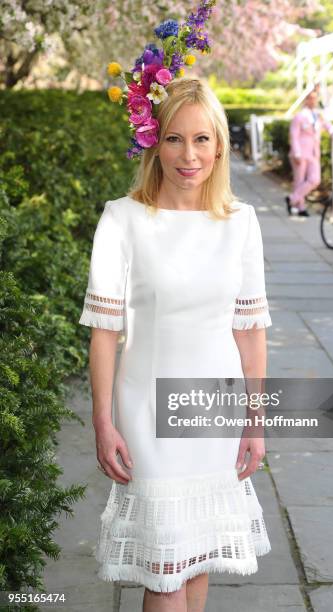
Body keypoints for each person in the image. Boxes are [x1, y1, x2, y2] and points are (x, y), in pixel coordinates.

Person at [78, 7, 272, 611]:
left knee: (196, 564)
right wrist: (103, 419)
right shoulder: (123, 220)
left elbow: (251, 333)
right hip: (145, 412)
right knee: (163, 571)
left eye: (202, 139)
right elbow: (106, 334)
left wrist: (255, 421)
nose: (189, 154)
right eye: (174, 138)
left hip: (209, 412)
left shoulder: (241, 223)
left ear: (218, 147)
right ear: (153, 143)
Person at [285, 88, 333, 217]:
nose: (313, 101)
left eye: (315, 98)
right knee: (299, 180)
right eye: (311, 98)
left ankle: (292, 199)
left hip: (313, 153)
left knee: (314, 179)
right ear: (306, 100)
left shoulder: (318, 116)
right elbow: (294, 136)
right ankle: (300, 207)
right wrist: (297, 153)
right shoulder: (299, 116)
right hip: (301, 152)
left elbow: (329, 127)